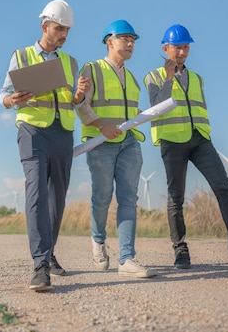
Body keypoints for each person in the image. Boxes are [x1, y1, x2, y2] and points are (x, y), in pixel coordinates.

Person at [144, 23, 228, 271]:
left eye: (186, 47)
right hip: (172, 140)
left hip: (200, 139)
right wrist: (169, 76)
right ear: (165, 48)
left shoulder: (197, 78)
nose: (182, 52)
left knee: (225, 189)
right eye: (177, 47)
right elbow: (156, 105)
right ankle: (180, 251)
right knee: (176, 198)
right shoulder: (153, 76)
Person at [0, 0, 91, 291]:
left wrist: (78, 95)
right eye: (59, 28)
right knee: (37, 192)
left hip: (62, 132)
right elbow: (3, 95)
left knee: (57, 197)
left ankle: (49, 255)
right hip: (32, 131)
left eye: (67, 30)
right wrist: (12, 100)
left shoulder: (70, 62)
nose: (64, 34)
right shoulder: (22, 55)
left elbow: (73, 103)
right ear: (45, 27)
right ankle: (40, 265)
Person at [77, 20, 157, 278]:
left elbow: (128, 111)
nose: (130, 43)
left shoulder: (132, 79)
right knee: (101, 198)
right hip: (100, 143)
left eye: (133, 39)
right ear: (109, 42)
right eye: (125, 38)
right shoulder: (92, 69)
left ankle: (126, 258)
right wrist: (101, 125)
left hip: (129, 142)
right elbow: (81, 104)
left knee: (128, 198)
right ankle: (98, 241)